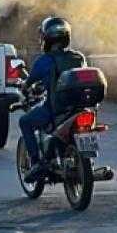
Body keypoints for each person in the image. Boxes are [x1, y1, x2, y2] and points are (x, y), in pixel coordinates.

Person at [19, 16, 86, 183]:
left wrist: (24, 87)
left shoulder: (45, 60)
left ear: (46, 38)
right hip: (79, 108)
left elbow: (29, 82)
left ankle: (36, 163)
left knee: (25, 122)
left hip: (56, 109)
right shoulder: (78, 57)